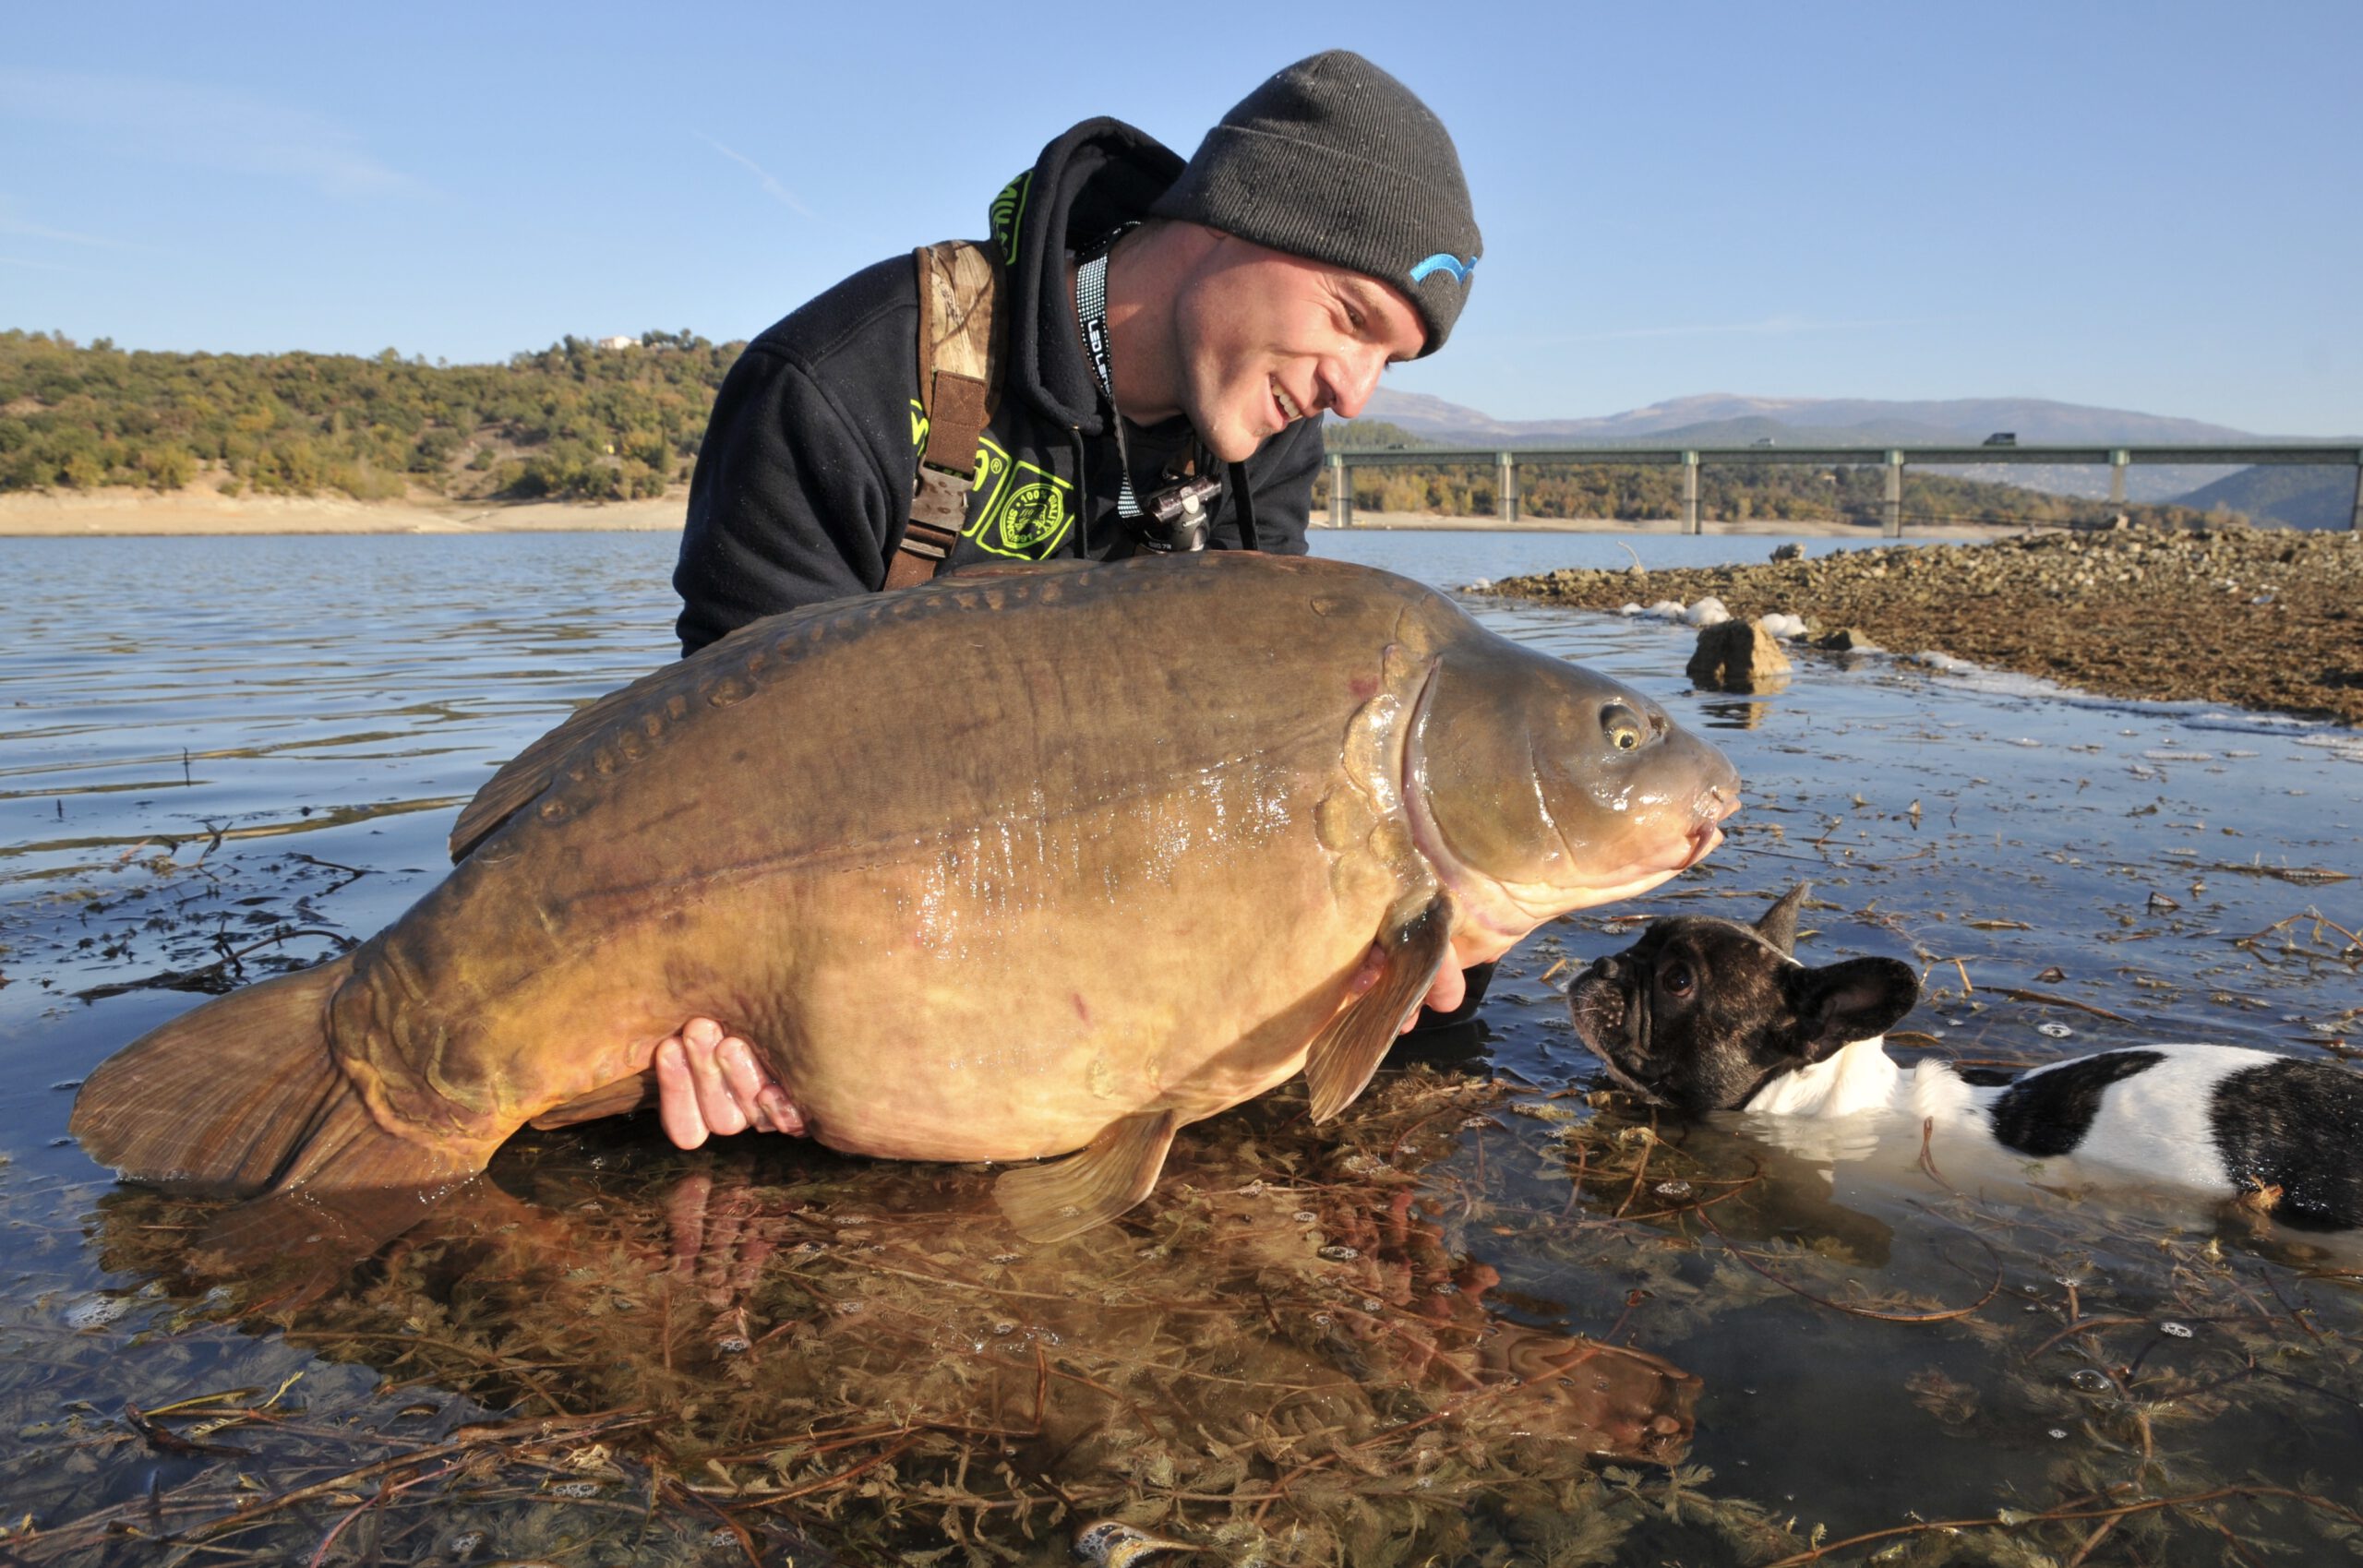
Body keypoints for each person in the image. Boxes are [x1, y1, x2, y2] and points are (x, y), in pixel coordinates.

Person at [654, 49, 1488, 1148]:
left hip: (1059, 905)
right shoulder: (839, 387)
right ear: (1232, 218)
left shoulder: (1268, 440)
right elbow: (711, 757)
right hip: (813, 896)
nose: (1354, 389)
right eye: (1347, 317)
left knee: (1444, 1010)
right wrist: (727, 1012)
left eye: (1391, 359)